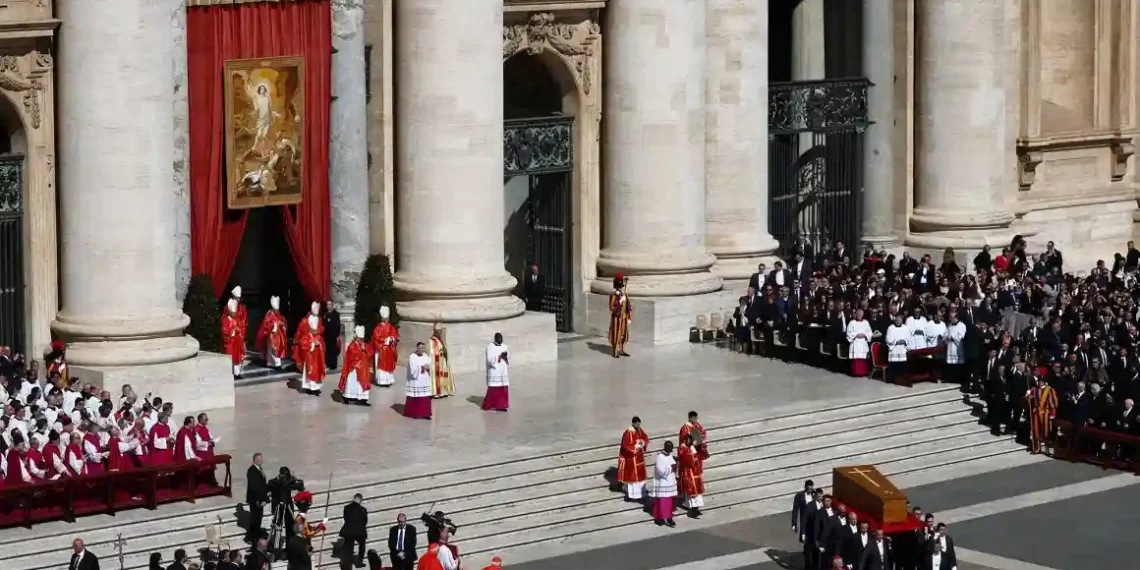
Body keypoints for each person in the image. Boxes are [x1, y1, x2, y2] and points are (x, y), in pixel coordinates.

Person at [294, 302, 327, 396]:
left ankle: (316, 387)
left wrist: (319, 342)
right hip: (309, 350)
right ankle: (309, 386)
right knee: (309, 367)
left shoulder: (319, 319)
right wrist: (311, 343)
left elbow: (321, 329)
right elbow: (301, 338)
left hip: (317, 351)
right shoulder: (305, 321)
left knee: (318, 367)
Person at [617, 416, 650, 502]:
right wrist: (636, 447)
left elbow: (645, 437)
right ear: (633, 423)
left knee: (641, 479)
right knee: (633, 479)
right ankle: (632, 495)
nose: (638, 426)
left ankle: (641, 493)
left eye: (639, 424)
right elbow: (626, 446)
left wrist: (643, 443)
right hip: (632, 460)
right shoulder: (628, 433)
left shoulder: (639, 430)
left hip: (639, 459)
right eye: (637, 424)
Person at [338, 326, 373, 406]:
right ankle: (349, 397)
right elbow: (353, 356)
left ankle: (362, 399)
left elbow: (370, 353)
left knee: (361, 384)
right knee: (354, 384)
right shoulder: (352, 345)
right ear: (356, 338)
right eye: (360, 339)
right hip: (354, 369)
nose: (361, 341)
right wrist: (362, 351)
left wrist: (365, 349)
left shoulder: (365, 344)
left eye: (362, 339)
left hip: (364, 369)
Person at [1026, 375, 1058, 454]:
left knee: (1046, 432)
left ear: (1044, 382)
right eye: (1039, 382)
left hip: (1046, 413)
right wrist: (1028, 395)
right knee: (1036, 431)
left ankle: (1047, 449)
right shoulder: (1034, 389)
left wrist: (1052, 414)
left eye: (1042, 382)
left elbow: (1053, 402)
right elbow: (1030, 401)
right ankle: (1036, 448)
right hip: (1036, 413)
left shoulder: (1050, 389)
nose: (1040, 383)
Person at [649, 441, 677, 527]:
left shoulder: (670, 455)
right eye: (670, 448)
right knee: (662, 503)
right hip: (663, 483)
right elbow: (660, 471)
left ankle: (669, 517)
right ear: (666, 447)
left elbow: (673, 464)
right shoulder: (660, 457)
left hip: (670, 482)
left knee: (669, 503)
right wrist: (671, 467)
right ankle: (660, 518)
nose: (672, 449)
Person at [256, 296, 289, 369]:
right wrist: (275, 324)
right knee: (272, 349)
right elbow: (267, 323)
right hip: (271, 334)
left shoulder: (278, 313)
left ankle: (276, 363)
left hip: (279, 334)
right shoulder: (269, 314)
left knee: (277, 349)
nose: (277, 311)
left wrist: (282, 323)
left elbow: (282, 319)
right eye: (275, 310)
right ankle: (274, 364)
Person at [677, 433, 705, 517]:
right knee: (690, 490)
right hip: (688, 472)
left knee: (696, 490)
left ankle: (696, 507)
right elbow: (687, 460)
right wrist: (692, 453)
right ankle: (691, 507)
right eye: (687, 439)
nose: (689, 441)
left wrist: (696, 450)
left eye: (690, 439)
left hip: (695, 472)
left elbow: (698, 457)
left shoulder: (691, 447)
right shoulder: (682, 448)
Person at [404, 343, 433, 420]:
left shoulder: (426, 356)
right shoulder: (412, 357)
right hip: (416, 381)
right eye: (420, 348)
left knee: (426, 397)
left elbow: (431, 365)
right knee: (416, 397)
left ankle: (426, 413)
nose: (422, 350)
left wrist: (429, 367)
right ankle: (415, 413)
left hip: (424, 380)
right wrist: (423, 367)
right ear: (417, 348)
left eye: (423, 348)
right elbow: (413, 370)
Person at [371, 306, 398, 387]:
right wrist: (386, 340)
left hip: (389, 349)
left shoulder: (391, 327)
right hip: (382, 350)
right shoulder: (378, 328)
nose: (387, 320)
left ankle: (389, 380)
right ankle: (381, 381)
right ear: (382, 319)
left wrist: (393, 338)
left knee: (389, 365)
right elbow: (376, 338)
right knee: (382, 366)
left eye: (387, 318)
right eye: (385, 319)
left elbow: (395, 335)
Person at [245, 453, 269, 544]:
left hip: (259, 499)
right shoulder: (252, 471)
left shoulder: (258, 469)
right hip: (255, 500)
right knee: (255, 518)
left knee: (258, 518)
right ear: (254, 460)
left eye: (261, 459)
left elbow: (261, 485)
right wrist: (260, 500)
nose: (261, 460)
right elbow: (254, 488)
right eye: (259, 459)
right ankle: (252, 537)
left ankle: (256, 534)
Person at [482, 333, 509, 411]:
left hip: (503, 371)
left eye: (502, 339)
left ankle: (502, 406)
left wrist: (505, 356)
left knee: (503, 389)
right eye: (499, 339)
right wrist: (499, 357)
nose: (501, 340)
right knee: (494, 390)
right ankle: (489, 404)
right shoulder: (490, 347)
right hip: (495, 371)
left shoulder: (505, 346)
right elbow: (489, 359)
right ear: (495, 339)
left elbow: (507, 356)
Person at [340, 493, 368, 567]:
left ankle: (346, 563)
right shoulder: (363, 510)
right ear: (360, 500)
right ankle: (359, 562)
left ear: (354, 498)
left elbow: (345, 518)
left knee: (348, 547)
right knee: (362, 546)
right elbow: (365, 521)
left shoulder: (346, 508)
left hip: (349, 531)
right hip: (359, 531)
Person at [608, 274, 632, 358]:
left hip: (624, 317)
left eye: (622, 287)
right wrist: (620, 302)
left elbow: (628, 306)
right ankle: (615, 351)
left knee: (623, 334)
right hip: (617, 318)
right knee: (616, 334)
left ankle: (621, 349)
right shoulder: (613, 295)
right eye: (620, 287)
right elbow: (611, 307)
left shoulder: (624, 295)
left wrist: (629, 317)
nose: (622, 289)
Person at [845, 308, 873, 377]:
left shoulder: (866, 322)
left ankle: (864, 372)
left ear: (863, 314)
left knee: (863, 358)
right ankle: (856, 373)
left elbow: (870, 332)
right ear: (856, 314)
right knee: (856, 359)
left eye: (861, 314)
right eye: (858, 314)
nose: (859, 315)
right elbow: (848, 333)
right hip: (855, 342)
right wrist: (856, 335)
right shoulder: (852, 323)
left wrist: (865, 335)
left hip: (863, 341)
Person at [222, 298, 246, 378]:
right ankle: (230, 372)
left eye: (235, 312)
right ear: (229, 312)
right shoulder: (226, 320)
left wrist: (239, 330)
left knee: (238, 357)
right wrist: (232, 330)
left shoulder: (237, 320)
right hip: (230, 342)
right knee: (231, 356)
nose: (234, 314)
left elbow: (241, 328)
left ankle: (237, 373)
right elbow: (224, 330)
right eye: (233, 313)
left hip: (237, 341)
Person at [429, 324, 453, 398]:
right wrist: (441, 352)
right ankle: (436, 392)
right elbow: (432, 352)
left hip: (442, 361)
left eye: (440, 330)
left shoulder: (439, 339)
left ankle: (443, 391)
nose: (439, 332)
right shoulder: (432, 340)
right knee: (438, 376)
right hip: (437, 362)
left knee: (444, 375)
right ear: (434, 331)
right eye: (437, 331)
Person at [885, 314, 910, 384]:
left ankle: (901, 378)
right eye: (897, 320)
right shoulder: (890, 328)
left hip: (902, 348)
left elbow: (909, 337)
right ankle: (893, 379)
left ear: (902, 320)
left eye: (899, 320)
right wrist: (896, 341)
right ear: (894, 320)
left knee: (902, 365)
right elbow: (888, 339)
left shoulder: (906, 328)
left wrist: (904, 341)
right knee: (894, 365)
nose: (898, 321)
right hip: (894, 349)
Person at [323, 300, 343, 372]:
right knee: (327, 351)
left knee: (333, 350)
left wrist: (337, 335)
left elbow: (338, 325)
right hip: (327, 336)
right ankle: (328, 364)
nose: (329, 306)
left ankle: (333, 365)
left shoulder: (336, 314)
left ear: (332, 305)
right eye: (327, 305)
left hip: (334, 335)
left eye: (330, 304)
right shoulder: (325, 314)